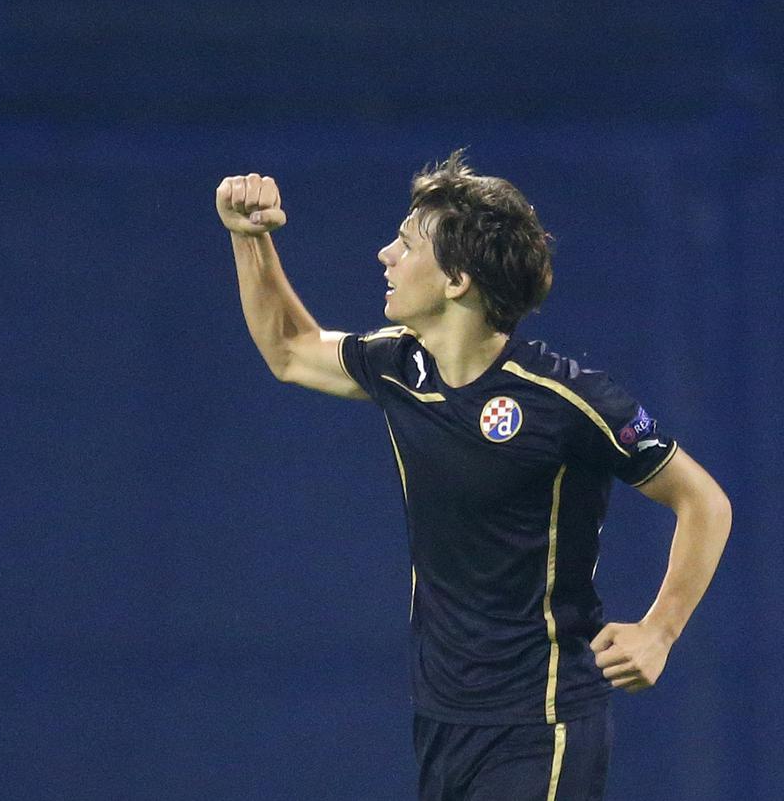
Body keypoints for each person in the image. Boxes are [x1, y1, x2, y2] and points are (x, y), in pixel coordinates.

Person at [215, 153, 731, 801]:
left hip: (540, 723)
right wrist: (248, 237)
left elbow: (703, 500)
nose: (384, 255)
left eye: (404, 243)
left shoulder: (567, 399)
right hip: (444, 720)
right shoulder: (399, 367)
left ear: (457, 279)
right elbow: (289, 348)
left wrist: (659, 629)